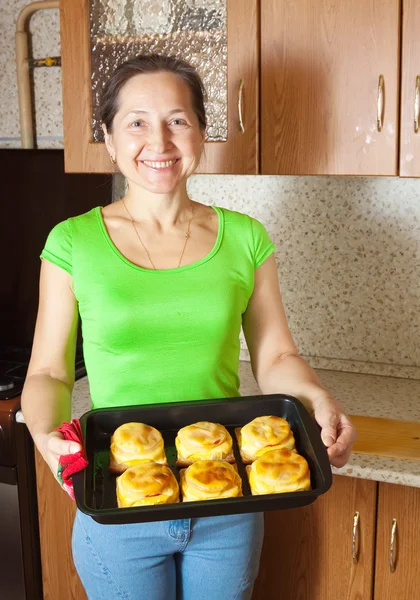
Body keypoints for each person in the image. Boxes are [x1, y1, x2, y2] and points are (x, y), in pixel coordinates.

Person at [21, 54, 356, 600]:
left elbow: (275, 357)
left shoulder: (246, 238)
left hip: (229, 500)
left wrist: (318, 400)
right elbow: (49, 372)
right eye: (136, 122)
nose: (159, 140)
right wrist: (46, 435)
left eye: (178, 120)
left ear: (201, 132)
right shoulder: (72, 242)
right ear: (108, 137)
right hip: (121, 501)